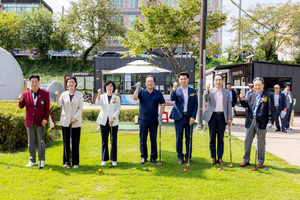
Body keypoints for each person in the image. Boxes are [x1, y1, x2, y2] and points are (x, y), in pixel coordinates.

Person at [239, 77, 274, 168]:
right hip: (251, 120)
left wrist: (270, 121)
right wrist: (241, 99)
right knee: (247, 141)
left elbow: (271, 109)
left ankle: (260, 161)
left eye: (259, 85)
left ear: (263, 85)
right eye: (255, 85)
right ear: (253, 86)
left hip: (262, 121)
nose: (257, 86)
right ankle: (246, 160)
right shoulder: (251, 95)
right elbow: (245, 105)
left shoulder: (268, 95)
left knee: (261, 142)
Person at [18, 74, 50, 168]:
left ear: (39, 83)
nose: (34, 84)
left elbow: (47, 109)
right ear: (30, 83)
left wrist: (45, 118)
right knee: (30, 142)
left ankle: (41, 160)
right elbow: (21, 106)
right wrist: (20, 100)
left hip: (40, 121)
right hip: (29, 121)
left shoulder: (45, 93)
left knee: (41, 141)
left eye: (36, 82)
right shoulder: (25, 94)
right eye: (32, 82)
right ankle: (32, 160)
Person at [133, 75, 165, 164]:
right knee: (143, 139)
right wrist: (137, 88)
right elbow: (135, 98)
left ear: (154, 83)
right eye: (148, 81)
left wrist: (160, 115)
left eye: (151, 81)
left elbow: (163, 104)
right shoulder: (141, 92)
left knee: (153, 139)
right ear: (145, 83)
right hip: (143, 119)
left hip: (154, 119)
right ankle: (144, 157)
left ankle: (153, 157)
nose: (149, 83)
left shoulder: (158, 93)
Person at [202, 74, 232, 165]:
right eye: (216, 80)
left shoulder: (226, 92)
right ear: (214, 82)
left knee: (220, 138)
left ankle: (220, 158)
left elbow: (229, 106)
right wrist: (207, 89)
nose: (218, 82)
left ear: (223, 81)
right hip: (212, 116)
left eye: (220, 80)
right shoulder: (210, 91)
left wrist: (230, 118)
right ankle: (213, 157)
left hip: (222, 116)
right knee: (212, 138)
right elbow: (205, 98)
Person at [170, 72, 198, 165]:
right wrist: (173, 89)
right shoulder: (176, 90)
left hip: (189, 117)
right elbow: (172, 98)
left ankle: (188, 156)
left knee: (188, 138)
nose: (183, 80)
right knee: (179, 138)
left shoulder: (193, 91)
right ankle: (180, 157)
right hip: (178, 117)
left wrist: (193, 116)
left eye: (185, 78)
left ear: (188, 79)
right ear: (178, 80)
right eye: (181, 79)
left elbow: (195, 104)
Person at [55, 77, 83, 168]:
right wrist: (57, 96)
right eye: (69, 82)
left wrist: (75, 118)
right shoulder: (63, 94)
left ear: (75, 83)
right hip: (65, 121)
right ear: (66, 84)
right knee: (66, 142)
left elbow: (81, 108)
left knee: (75, 142)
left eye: (72, 82)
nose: (71, 84)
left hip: (75, 122)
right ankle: (66, 161)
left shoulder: (79, 95)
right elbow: (59, 104)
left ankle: (75, 162)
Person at [96, 81, 121, 166]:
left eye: (111, 86)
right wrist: (98, 94)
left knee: (113, 140)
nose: (109, 88)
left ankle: (114, 159)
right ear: (105, 88)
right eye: (107, 86)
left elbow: (118, 109)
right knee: (104, 140)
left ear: (113, 88)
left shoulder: (116, 98)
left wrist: (113, 118)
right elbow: (97, 103)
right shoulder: (102, 96)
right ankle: (104, 159)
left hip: (113, 121)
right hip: (103, 120)